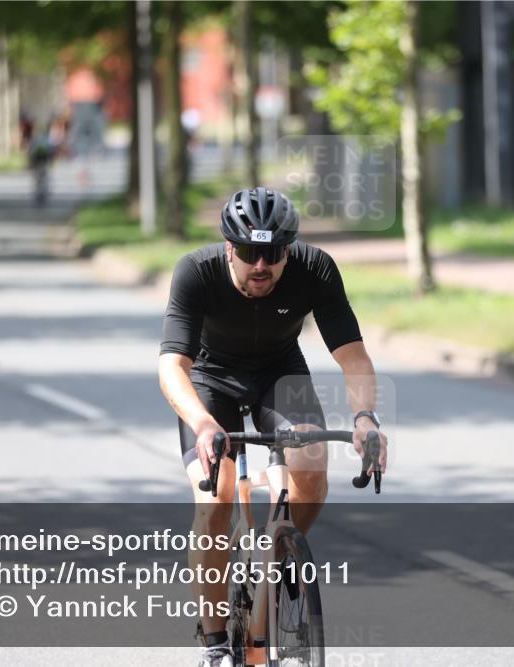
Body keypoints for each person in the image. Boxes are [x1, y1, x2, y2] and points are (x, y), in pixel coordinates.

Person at [158, 187, 389, 667]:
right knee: (216, 497)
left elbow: (353, 356)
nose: (261, 265)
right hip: (210, 379)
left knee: (311, 468)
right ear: (229, 249)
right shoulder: (196, 272)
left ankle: (278, 555)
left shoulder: (315, 268)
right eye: (249, 253)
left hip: (280, 373)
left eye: (274, 253)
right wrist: (202, 423)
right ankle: (215, 644)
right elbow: (172, 366)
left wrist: (365, 418)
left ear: (289, 250)